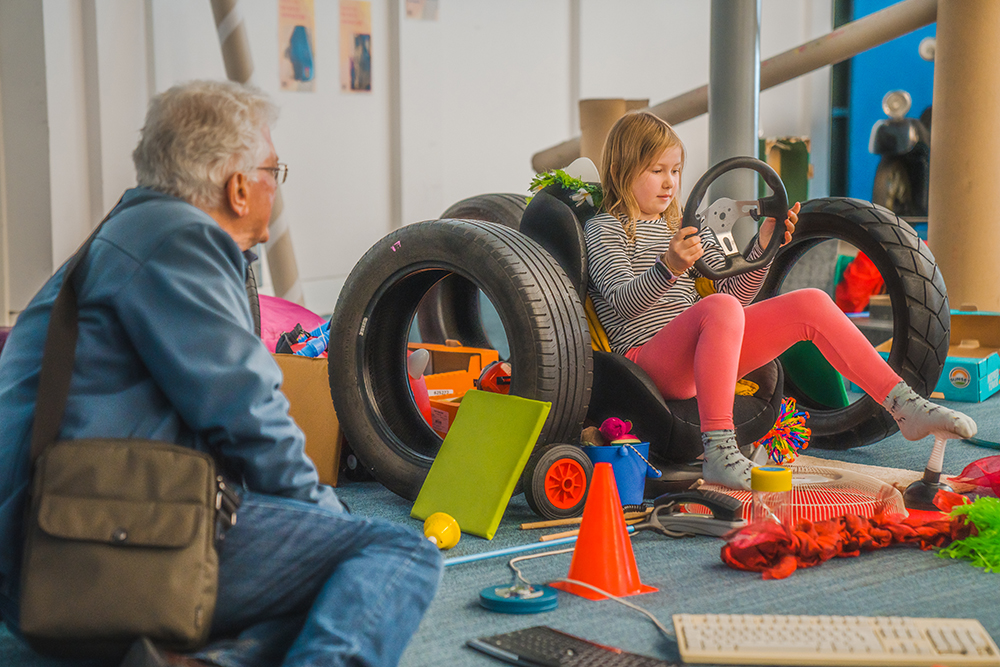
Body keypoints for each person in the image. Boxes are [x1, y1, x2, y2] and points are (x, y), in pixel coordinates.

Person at [0, 80, 442, 667]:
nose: (273, 186)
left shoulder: (137, 232)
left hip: (63, 534)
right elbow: (249, 415)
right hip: (76, 546)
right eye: (273, 170)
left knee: (332, 594)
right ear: (238, 186)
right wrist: (325, 518)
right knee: (398, 553)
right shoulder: (178, 240)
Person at [586, 111, 976, 490]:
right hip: (646, 362)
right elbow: (622, 303)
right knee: (719, 310)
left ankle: (904, 405)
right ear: (623, 169)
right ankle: (720, 451)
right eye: (656, 171)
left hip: (701, 351)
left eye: (675, 170)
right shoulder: (605, 228)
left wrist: (764, 246)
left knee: (810, 303)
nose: (669, 182)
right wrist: (668, 267)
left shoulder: (685, 226)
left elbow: (731, 295)